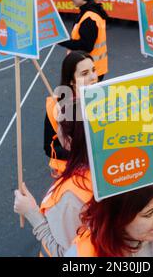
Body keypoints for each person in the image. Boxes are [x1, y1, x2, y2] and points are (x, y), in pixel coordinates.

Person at [14, 99, 94, 257]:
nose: (55, 133)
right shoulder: (115, 170)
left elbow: (65, 255)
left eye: (59, 128)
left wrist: (31, 213)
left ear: (69, 142)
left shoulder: (71, 196)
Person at [44, 51, 98, 177]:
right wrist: (81, 155)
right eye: (85, 73)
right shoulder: (56, 107)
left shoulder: (104, 98)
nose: (93, 77)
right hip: (69, 174)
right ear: (71, 81)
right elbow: (49, 148)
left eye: (93, 70)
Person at [59, 0, 109, 81]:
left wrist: (62, 41)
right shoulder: (89, 12)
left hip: (89, 71)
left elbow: (85, 46)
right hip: (92, 68)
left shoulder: (89, 18)